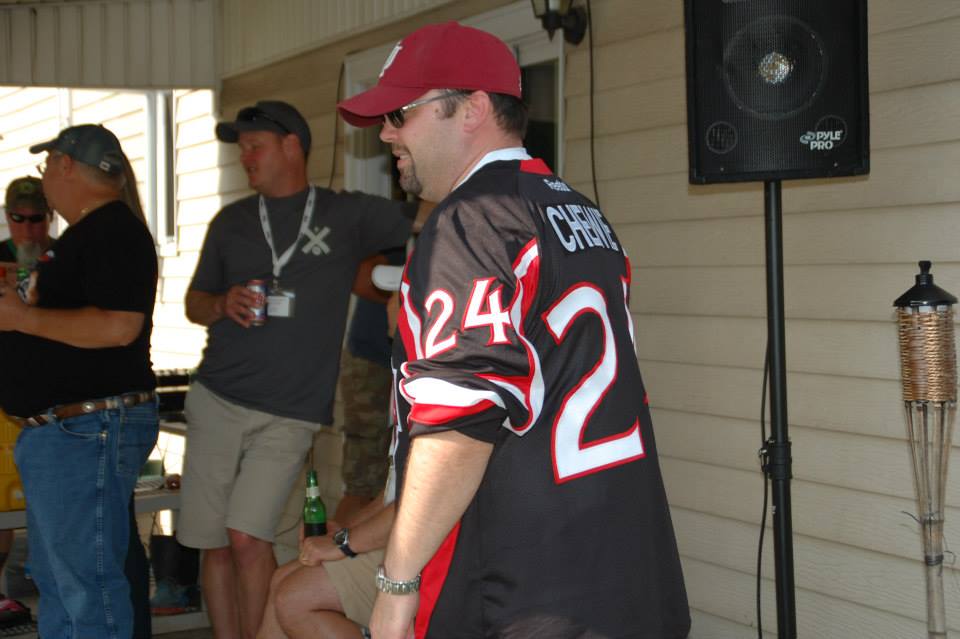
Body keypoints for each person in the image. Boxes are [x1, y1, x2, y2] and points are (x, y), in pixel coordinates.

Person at [337, 21, 691, 639]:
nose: (387, 132)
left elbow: (457, 428)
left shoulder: (471, 220)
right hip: (622, 560)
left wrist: (396, 586)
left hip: (521, 583)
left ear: (472, 108)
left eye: (400, 113)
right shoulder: (576, 209)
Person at [179, 100, 420, 639]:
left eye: (255, 146)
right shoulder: (231, 222)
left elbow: (430, 215)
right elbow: (194, 303)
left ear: (292, 145)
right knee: (214, 544)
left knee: (247, 535)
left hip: (291, 410)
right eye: (241, 148)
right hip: (217, 398)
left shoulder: (344, 213)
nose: (245, 157)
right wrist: (220, 303)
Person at [0, 123, 160, 639]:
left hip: (86, 428)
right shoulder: (89, 233)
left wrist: (23, 318)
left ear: (65, 165)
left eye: (47, 165)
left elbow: (119, 326)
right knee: (61, 580)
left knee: (83, 586)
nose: (45, 177)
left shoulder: (112, 230)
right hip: (70, 431)